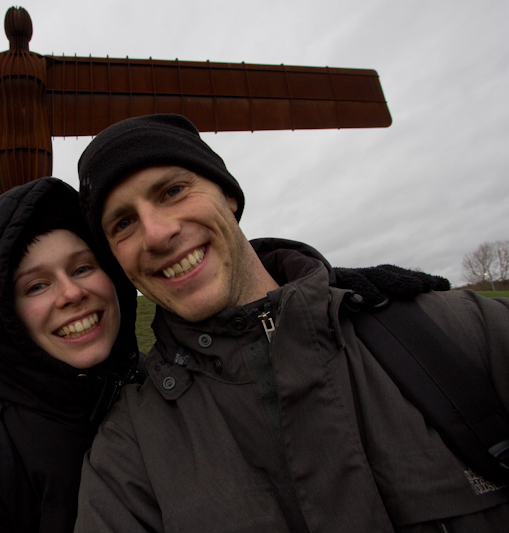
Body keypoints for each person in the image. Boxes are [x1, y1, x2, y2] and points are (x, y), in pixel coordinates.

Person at [74, 114, 509, 532]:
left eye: (172, 191)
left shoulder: (458, 331)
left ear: (229, 196)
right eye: (123, 223)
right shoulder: (129, 450)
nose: (156, 233)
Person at [0, 177, 142, 532]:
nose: (71, 293)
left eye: (82, 268)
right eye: (36, 286)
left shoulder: (168, 385)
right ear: (3, 319)